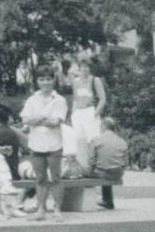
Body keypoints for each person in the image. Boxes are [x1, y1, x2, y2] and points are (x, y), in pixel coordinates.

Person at [20, 75, 69, 222]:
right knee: (40, 178)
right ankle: (41, 209)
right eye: (42, 79)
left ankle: (57, 210)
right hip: (36, 144)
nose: (45, 82)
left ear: (53, 81)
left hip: (54, 143)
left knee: (56, 178)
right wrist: (43, 118)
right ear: (37, 81)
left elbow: (56, 121)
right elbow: (25, 119)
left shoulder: (60, 100)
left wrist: (36, 119)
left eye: (48, 79)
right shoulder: (32, 99)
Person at [63, 55, 106, 170]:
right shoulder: (76, 81)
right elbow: (75, 99)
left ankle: (95, 167)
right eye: (82, 66)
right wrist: (73, 114)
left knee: (92, 139)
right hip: (78, 112)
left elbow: (103, 99)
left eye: (87, 66)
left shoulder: (95, 80)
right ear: (79, 68)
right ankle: (82, 167)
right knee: (78, 140)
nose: (84, 69)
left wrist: (96, 113)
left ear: (90, 68)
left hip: (90, 111)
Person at [87, 114, 128, 210]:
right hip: (118, 173)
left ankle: (89, 201)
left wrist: (88, 173)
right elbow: (126, 163)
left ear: (104, 127)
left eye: (100, 127)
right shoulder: (122, 141)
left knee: (95, 171)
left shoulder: (96, 139)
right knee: (108, 167)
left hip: (103, 173)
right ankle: (108, 201)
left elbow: (91, 161)